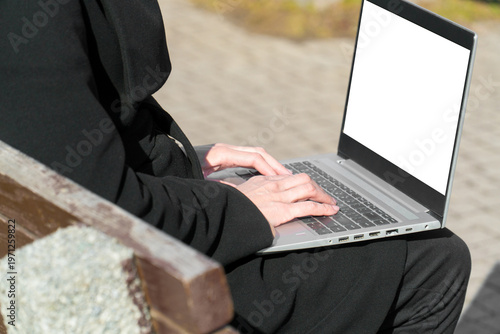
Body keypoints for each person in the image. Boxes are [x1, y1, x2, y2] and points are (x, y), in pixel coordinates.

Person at [0, 0, 471, 332]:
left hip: (80, 240)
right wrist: (238, 206)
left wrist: (185, 159)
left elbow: (63, 142)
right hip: (128, 278)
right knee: (432, 256)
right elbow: (91, 206)